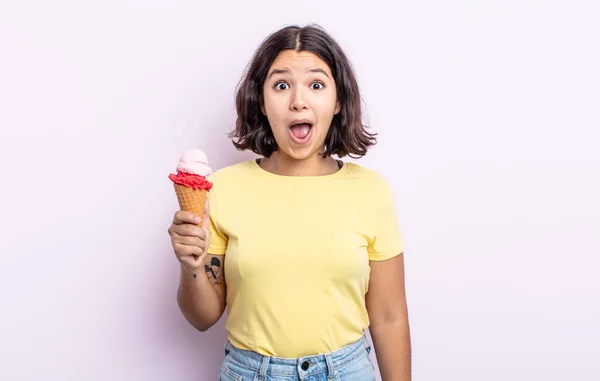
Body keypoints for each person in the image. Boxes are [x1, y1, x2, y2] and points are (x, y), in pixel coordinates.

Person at [167, 24, 411, 381]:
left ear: (338, 100)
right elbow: (202, 317)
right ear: (262, 102)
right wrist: (191, 264)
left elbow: (389, 316)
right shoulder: (221, 189)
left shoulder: (370, 191)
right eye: (281, 85)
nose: (298, 100)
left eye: (316, 85)